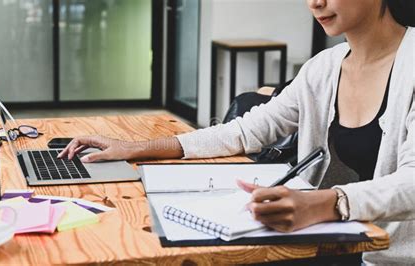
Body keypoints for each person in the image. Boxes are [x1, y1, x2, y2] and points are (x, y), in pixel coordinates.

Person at [59, 0, 414, 264]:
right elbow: (245, 131)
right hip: (328, 245)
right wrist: (135, 148)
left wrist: (328, 202)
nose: (315, 3)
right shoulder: (323, 68)